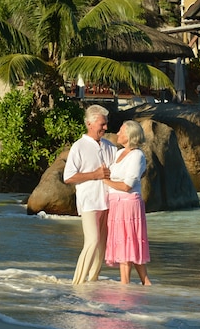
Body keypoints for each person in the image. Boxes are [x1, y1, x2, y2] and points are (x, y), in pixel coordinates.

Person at [64, 105, 116, 285]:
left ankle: (92, 282)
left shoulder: (110, 146)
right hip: (89, 201)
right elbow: (68, 177)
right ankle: (77, 283)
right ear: (89, 124)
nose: (106, 128)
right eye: (102, 124)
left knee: (102, 246)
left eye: (106, 124)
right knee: (92, 241)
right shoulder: (79, 147)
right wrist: (95, 175)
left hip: (108, 201)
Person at [104, 120, 152, 285]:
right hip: (117, 204)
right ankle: (146, 283)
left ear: (130, 135)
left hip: (128, 204)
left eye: (121, 131)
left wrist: (104, 181)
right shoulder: (119, 153)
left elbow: (127, 185)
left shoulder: (137, 155)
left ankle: (125, 284)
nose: (117, 134)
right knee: (128, 243)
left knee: (127, 243)